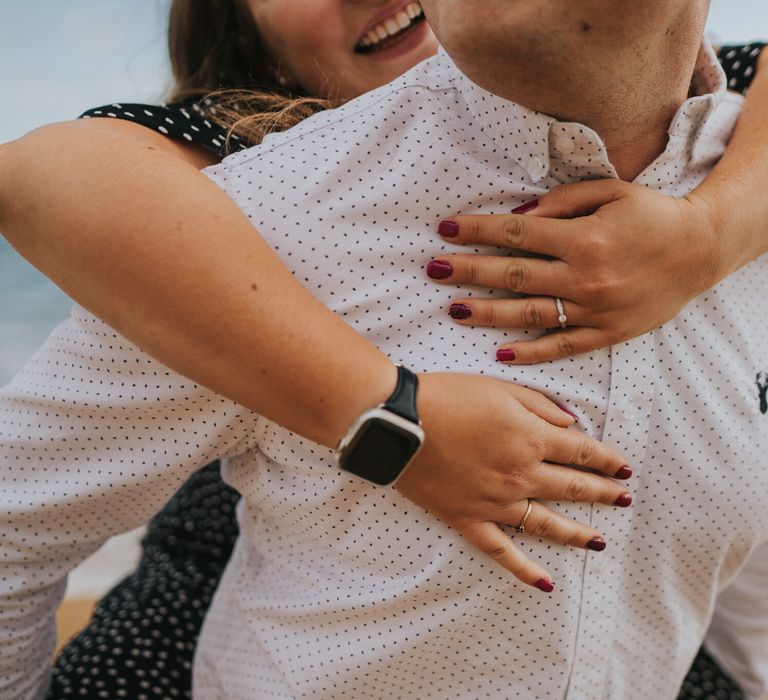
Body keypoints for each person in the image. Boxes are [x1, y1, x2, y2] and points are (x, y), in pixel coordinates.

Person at [0, 0, 765, 697]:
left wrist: (710, 234)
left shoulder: (723, 136)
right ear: (258, 53)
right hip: (233, 597)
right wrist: (387, 416)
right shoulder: (244, 201)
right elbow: (42, 173)